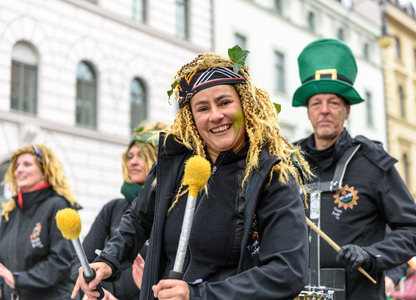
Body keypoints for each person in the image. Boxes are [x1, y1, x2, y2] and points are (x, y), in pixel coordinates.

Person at [72, 47, 311, 300]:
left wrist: (197, 294)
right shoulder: (175, 163)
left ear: (245, 105)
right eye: (203, 108)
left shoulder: (273, 177)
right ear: (191, 117)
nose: (216, 116)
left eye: (225, 102)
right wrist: (109, 261)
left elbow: (287, 273)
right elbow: (139, 218)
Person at [291, 38, 416, 300]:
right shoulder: (288, 163)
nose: (324, 111)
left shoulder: (373, 163)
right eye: (316, 103)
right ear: (308, 111)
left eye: (333, 103)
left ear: (347, 110)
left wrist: (372, 255)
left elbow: (415, 230)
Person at [74, 121, 168, 299]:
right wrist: (93, 291)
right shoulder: (113, 209)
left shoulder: (169, 210)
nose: (133, 161)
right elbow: (82, 261)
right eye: (130, 156)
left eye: (142, 155)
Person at [0, 144, 81, 299]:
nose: (19, 170)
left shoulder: (58, 206)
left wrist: (17, 279)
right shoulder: (9, 213)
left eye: (27, 164)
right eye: (17, 166)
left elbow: (61, 262)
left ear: (45, 170)